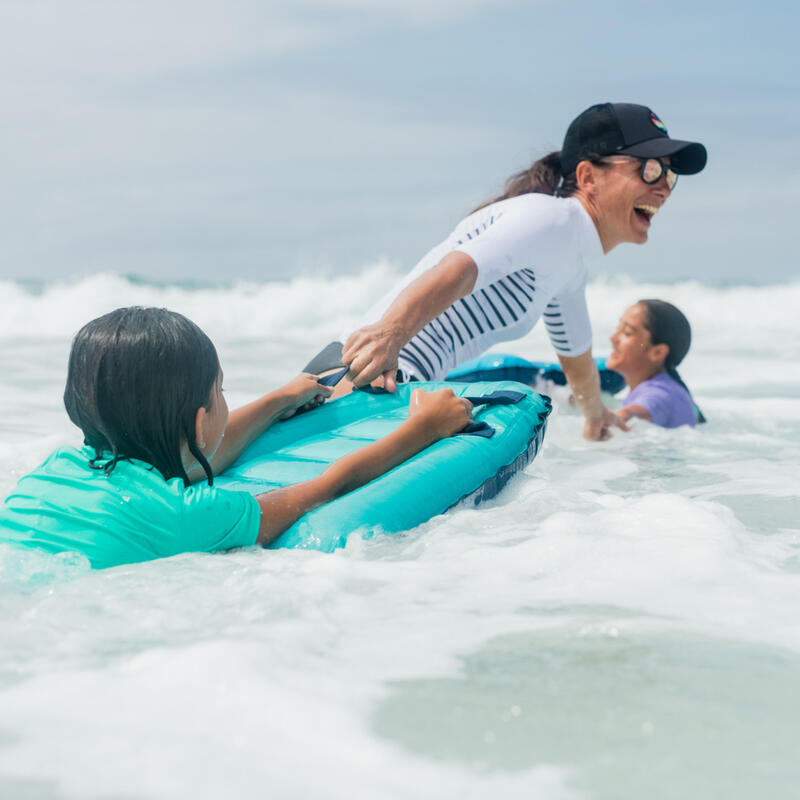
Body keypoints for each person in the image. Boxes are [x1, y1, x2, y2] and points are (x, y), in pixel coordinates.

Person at [304, 102, 707, 441]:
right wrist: (388, 333)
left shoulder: (567, 262)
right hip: (366, 376)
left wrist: (596, 415)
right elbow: (457, 270)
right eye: (649, 169)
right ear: (588, 177)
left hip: (387, 383)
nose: (664, 187)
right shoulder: (550, 220)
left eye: (670, 176)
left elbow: (577, 359)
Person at [0, 307, 472, 569]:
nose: (224, 399)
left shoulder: (51, 472)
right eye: (221, 390)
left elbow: (181, 454)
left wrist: (280, 399)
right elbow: (324, 489)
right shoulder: (182, 515)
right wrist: (425, 428)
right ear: (203, 418)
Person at [606, 299, 705, 428]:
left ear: (657, 352)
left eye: (627, 333)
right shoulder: (668, 388)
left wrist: (617, 417)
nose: (613, 338)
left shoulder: (659, 393)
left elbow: (639, 411)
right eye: (617, 328)